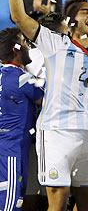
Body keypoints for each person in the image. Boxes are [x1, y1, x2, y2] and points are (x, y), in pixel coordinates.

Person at [7, 0, 88, 211]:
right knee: (58, 201)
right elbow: (19, 16)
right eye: (85, 11)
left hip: (86, 133)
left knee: (87, 201)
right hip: (55, 133)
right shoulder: (55, 43)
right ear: (71, 20)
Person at [0, 27, 44, 211]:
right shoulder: (22, 79)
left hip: (7, 145)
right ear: (16, 49)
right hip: (12, 150)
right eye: (25, 43)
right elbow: (48, 97)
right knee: (10, 203)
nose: (29, 47)